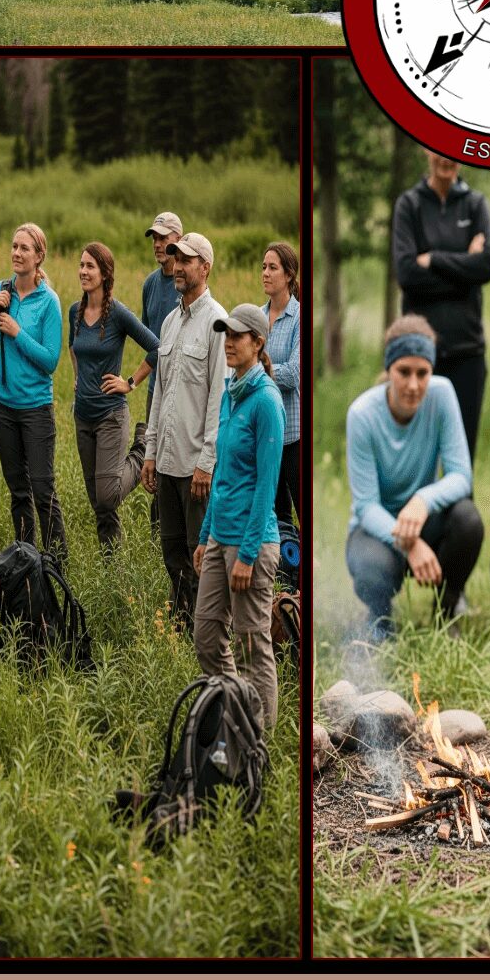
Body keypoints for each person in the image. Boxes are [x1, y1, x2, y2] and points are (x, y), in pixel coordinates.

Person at [345, 315, 483, 641]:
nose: (413, 384)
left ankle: (446, 611)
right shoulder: (362, 415)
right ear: (389, 369)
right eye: (403, 372)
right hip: (377, 530)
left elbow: (462, 475)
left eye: (423, 373)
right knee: (368, 564)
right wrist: (410, 545)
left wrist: (423, 500)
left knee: (468, 520)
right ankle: (380, 618)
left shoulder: (442, 395)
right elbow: (366, 506)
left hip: (423, 520)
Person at [193, 304, 286, 730]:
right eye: (225, 334)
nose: (228, 342)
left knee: (253, 646)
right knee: (207, 637)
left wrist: (247, 555)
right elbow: (223, 475)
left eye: (237, 335)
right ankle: (236, 712)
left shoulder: (266, 401)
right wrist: (205, 534)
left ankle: (257, 741)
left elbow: (267, 488)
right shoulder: (231, 392)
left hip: (252, 543)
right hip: (219, 538)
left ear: (258, 342)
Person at [142, 233, 227, 629]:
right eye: (176, 259)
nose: (177, 266)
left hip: (197, 466)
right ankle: (180, 626)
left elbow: (218, 400)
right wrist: (150, 452)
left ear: (205, 267)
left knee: (200, 554)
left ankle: (206, 630)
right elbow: (160, 390)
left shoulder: (217, 323)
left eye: (187, 260)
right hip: (168, 462)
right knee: (171, 551)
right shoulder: (171, 321)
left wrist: (207, 463)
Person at [392, 152, 490, 460]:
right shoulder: (408, 205)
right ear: (425, 150)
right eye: (438, 147)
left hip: (467, 352)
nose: (445, 157)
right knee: (416, 458)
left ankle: (460, 510)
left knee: (462, 457)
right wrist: (465, 263)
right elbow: (408, 274)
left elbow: (486, 267)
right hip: (419, 356)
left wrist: (433, 259)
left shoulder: (476, 204)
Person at [0, 222, 68, 565]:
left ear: (39, 256)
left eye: (24, 248)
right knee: (18, 492)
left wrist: (17, 332)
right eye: (14, 246)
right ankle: (25, 563)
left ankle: (57, 563)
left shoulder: (49, 302)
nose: (17, 253)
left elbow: (50, 361)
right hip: (3, 407)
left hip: (35, 409)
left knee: (43, 491)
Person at [68, 242, 159, 550]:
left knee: (108, 494)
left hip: (110, 415)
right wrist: (78, 377)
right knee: (100, 503)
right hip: (83, 416)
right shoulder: (75, 312)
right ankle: (112, 563)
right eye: (81, 265)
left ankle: (141, 448)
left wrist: (130, 382)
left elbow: (157, 348)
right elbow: (73, 346)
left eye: (90, 266)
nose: (83, 271)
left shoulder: (118, 314)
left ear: (105, 274)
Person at [139, 211, 183, 537]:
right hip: (157, 385)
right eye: (155, 238)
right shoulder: (150, 285)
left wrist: (132, 379)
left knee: (178, 456)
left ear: (178, 241)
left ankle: (180, 526)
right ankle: (159, 533)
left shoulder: (185, 283)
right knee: (154, 453)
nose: (158, 244)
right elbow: (149, 341)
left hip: (182, 386)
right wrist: (142, 379)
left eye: (163, 238)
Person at [262, 241, 300, 528]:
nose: (265, 273)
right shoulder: (258, 318)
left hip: (293, 433)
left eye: (272, 268)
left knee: (302, 510)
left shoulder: (299, 316)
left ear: (288, 275)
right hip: (265, 432)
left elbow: (294, 373)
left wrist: (260, 373)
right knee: (276, 516)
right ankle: (284, 572)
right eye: (263, 267)